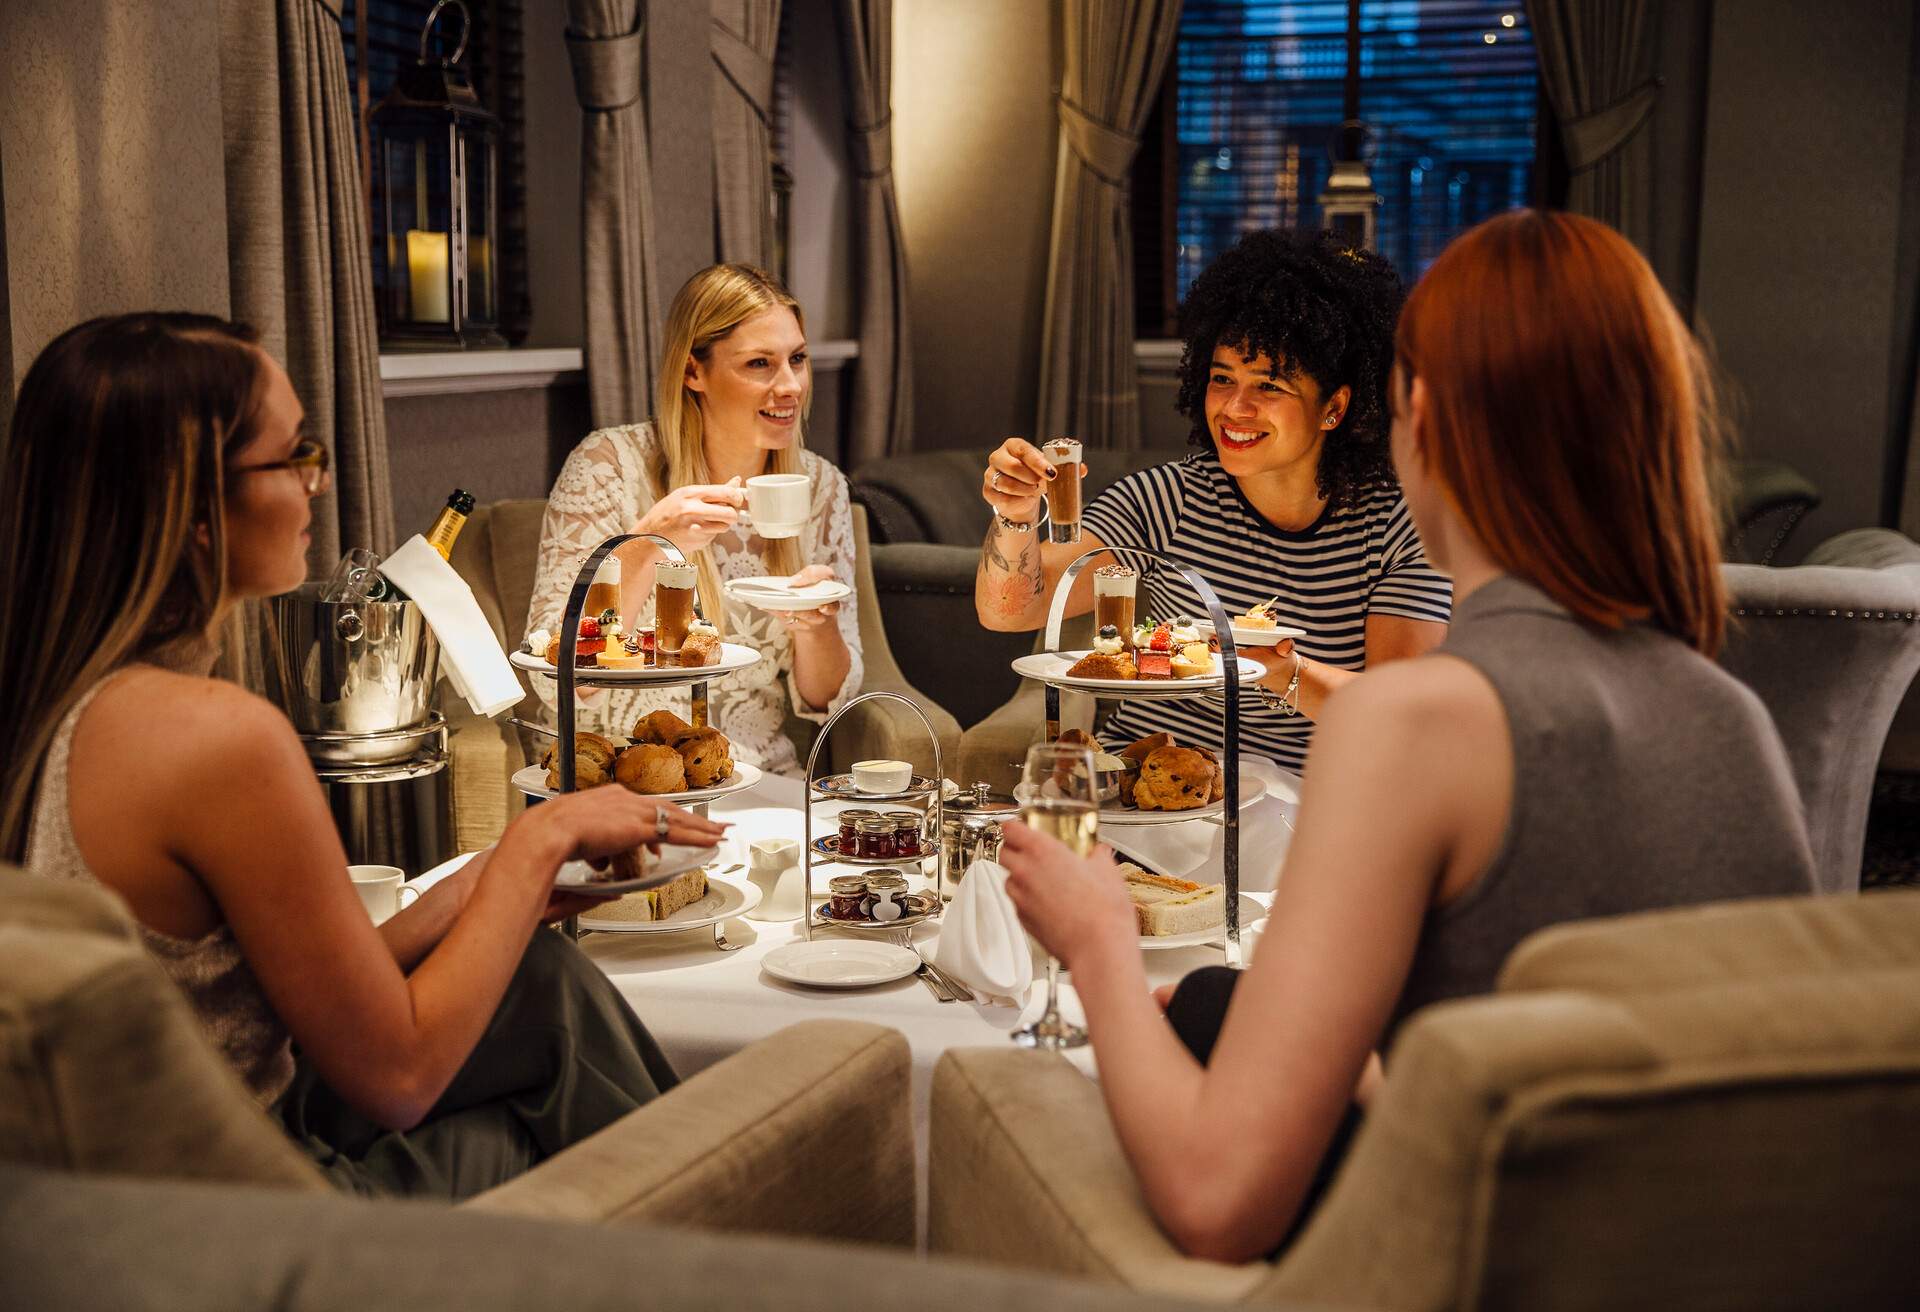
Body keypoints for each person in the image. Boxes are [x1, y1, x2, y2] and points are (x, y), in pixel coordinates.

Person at [997, 211, 1819, 1262]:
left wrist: (1100, 937)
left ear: (1412, 414)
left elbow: (1218, 1198)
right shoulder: (1731, 718)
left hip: (1474, 1259)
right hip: (1678, 1258)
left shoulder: (1412, 725)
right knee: (1210, 997)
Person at [0, 313, 728, 1199]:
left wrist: (496, 882)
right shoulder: (216, 740)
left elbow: (277, 999)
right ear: (194, 509)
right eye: (294, 456)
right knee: (556, 1126)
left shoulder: (70, 705)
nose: (317, 484)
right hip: (256, 1208)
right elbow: (400, 1073)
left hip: (166, 1173)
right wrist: (544, 836)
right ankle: (737, 1239)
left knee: (542, 986)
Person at [975, 228, 1452, 769]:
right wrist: (1014, 518)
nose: (1235, 407)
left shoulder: (1398, 526)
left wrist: (1272, 669)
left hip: (1305, 805)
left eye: (1269, 386)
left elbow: (1403, 715)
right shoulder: (1168, 499)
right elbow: (1011, 611)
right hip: (1145, 784)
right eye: (1222, 378)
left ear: (1334, 408)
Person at [528, 264, 861, 775]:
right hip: (628, 777)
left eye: (797, 358)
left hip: (754, 776)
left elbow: (824, 699)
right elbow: (561, 681)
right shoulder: (607, 466)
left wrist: (816, 626)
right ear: (692, 372)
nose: (790, 385)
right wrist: (646, 543)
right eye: (758, 364)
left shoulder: (822, 487)